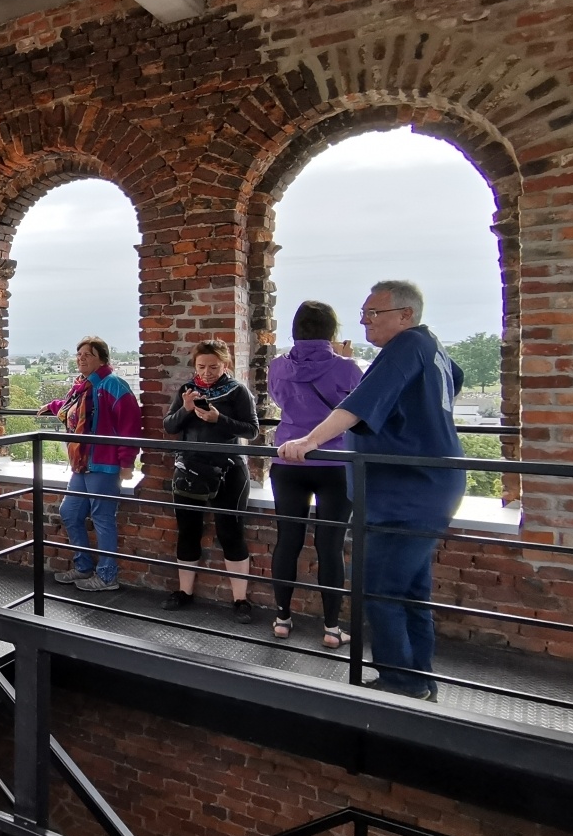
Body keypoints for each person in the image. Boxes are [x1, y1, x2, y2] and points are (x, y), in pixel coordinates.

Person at [277, 281, 465, 700]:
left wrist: (309, 442)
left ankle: (401, 683)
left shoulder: (404, 347)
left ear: (405, 315)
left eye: (374, 313)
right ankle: (419, 677)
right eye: (363, 313)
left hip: (409, 490)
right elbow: (456, 378)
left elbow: (356, 405)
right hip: (427, 484)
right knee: (411, 590)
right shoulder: (429, 344)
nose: (365, 321)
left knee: (379, 587)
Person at [267, 301, 363, 648]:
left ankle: (281, 618)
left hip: (288, 460)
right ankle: (332, 628)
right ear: (332, 332)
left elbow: (279, 400)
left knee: (287, 540)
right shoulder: (348, 368)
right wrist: (340, 358)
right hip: (334, 462)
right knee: (331, 545)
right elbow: (357, 406)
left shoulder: (278, 366)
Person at [162, 340, 260, 622]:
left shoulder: (238, 390)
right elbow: (169, 426)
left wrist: (219, 419)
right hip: (191, 468)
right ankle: (184, 591)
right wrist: (186, 408)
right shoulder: (187, 390)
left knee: (230, 532)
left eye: (213, 367)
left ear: (225, 365)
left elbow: (252, 430)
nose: (206, 372)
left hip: (228, 469)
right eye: (201, 367)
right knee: (188, 530)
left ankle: (240, 600)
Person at [40, 336, 141, 592]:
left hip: (104, 465)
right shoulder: (82, 387)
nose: (81, 358)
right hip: (82, 464)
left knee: (102, 518)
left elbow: (130, 425)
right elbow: (72, 409)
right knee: (70, 513)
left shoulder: (114, 385)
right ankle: (83, 566)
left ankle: (107, 576)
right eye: (79, 354)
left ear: (102, 359)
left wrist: (126, 462)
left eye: (88, 354)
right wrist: (53, 406)